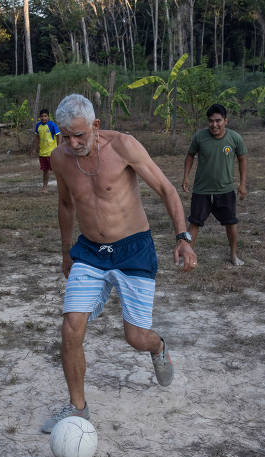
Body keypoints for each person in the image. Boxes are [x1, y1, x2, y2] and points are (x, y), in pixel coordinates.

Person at [41, 94, 197, 433]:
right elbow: (66, 205)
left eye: (80, 135)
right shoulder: (60, 158)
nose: (73, 143)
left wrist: (183, 238)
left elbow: (166, 189)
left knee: (136, 336)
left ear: (96, 126)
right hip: (90, 253)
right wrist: (66, 250)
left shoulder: (124, 146)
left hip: (133, 250)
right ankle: (77, 409)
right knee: (71, 327)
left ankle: (158, 346)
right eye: (65, 136)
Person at [181, 103, 247, 266]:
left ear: (226, 120)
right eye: (211, 121)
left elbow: (242, 159)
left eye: (218, 120)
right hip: (201, 190)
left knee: (231, 223)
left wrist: (243, 184)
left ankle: (233, 255)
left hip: (225, 189)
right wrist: (186, 177)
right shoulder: (199, 137)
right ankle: (188, 258)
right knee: (194, 223)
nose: (214, 125)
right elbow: (190, 155)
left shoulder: (235, 138)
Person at [31, 109, 62, 193]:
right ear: (39, 117)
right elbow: (37, 138)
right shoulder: (38, 126)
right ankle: (44, 188)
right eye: (42, 116)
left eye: (45, 116)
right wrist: (35, 149)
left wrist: (58, 147)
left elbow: (59, 135)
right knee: (45, 171)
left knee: (57, 171)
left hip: (52, 153)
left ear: (48, 117)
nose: (43, 118)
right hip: (43, 153)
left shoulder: (52, 125)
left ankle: (62, 187)